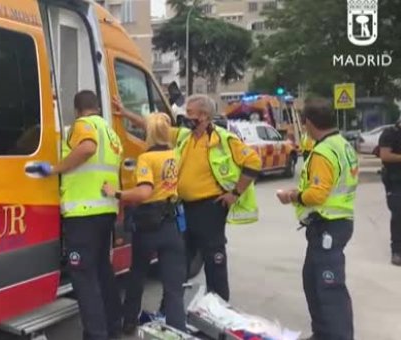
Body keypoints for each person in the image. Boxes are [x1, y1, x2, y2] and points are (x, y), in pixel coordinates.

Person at [115, 94, 261, 302]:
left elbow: (254, 162)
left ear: (203, 115)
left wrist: (235, 193)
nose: (185, 116)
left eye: (190, 112)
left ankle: (218, 310)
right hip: (184, 209)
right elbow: (155, 128)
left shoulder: (223, 139)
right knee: (179, 262)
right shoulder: (185, 136)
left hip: (210, 209)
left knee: (214, 260)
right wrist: (126, 112)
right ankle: (171, 310)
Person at [28, 90, 123, 340]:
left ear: (77, 110)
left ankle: (96, 334)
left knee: (83, 276)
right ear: (97, 107)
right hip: (105, 210)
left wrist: (56, 169)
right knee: (103, 270)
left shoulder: (83, 125)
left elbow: (87, 148)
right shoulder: (110, 133)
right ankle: (113, 326)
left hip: (83, 214)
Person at [276, 97, 357, 340]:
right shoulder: (342, 144)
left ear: (309, 123)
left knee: (328, 287)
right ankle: (323, 333)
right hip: (336, 222)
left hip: (329, 225)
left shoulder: (323, 151)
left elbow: (317, 194)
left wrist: (291, 195)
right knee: (312, 281)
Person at [101, 113, 187, 335]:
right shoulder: (176, 153)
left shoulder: (146, 159)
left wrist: (116, 193)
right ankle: (178, 332)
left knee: (137, 275)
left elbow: (143, 192)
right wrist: (126, 113)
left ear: (148, 133)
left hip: (149, 225)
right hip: (172, 225)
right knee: (173, 288)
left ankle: (129, 322)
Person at [378, 117, 401, 266]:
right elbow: (385, 155)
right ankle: (397, 251)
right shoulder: (390, 134)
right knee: (400, 215)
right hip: (397, 182)